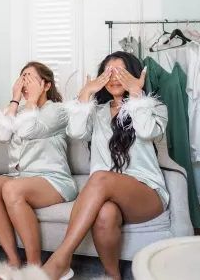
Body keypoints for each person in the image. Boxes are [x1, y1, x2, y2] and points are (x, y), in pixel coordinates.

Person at [42, 51, 168, 280]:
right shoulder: (97, 113)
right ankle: (112, 275)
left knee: (100, 176)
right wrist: (85, 94)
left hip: (146, 194)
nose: (114, 78)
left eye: (121, 72)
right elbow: (76, 132)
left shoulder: (154, 107)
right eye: (109, 73)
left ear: (134, 75)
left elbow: (147, 131)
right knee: (105, 213)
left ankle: (60, 260)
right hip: (106, 196)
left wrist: (136, 95)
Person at [0, 62, 77, 280]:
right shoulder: (21, 109)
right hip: (21, 177)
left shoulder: (57, 111)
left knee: (12, 189)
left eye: (30, 78)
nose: (25, 83)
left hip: (53, 179)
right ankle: (13, 261)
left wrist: (31, 102)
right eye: (22, 78)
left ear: (46, 85)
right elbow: (2, 136)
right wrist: (15, 101)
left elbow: (28, 130)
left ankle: (34, 268)